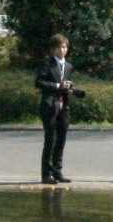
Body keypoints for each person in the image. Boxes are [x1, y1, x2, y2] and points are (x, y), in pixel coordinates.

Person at [35, 34, 84, 184]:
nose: (62, 50)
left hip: (63, 107)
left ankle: (57, 171)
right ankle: (46, 174)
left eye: (64, 47)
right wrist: (57, 86)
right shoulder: (46, 64)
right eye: (59, 47)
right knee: (50, 140)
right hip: (49, 105)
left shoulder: (68, 66)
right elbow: (39, 82)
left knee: (61, 140)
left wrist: (71, 89)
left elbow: (65, 85)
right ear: (53, 49)